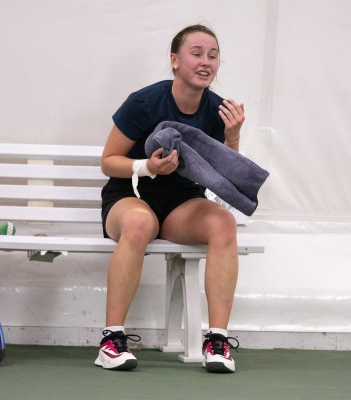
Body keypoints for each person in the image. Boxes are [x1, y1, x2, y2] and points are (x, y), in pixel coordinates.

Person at [95, 24, 244, 374]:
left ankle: (217, 342)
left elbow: (228, 178)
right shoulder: (144, 102)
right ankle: (111, 341)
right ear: (175, 60)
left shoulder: (220, 110)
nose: (206, 61)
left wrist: (233, 136)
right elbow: (108, 162)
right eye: (197, 53)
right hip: (130, 194)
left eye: (213, 55)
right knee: (140, 222)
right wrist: (148, 166)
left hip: (181, 203)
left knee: (223, 222)